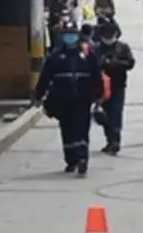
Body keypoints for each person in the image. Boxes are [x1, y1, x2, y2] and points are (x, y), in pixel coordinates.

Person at [33, 21, 104, 174]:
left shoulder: (86, 55)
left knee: (82, 128)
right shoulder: (55, 57)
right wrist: (39, 96)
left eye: (72, 34)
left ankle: (82, 158)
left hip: (82, 99)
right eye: (67, 35)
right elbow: (45, 78)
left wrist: (98, 95)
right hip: (62, 100)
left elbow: (96, 76)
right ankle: (71, 160)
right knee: (68, 129)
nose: (70, 37)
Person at [96, 20, 135, 155]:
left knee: (116, 112)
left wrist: (116, 63)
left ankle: (116, 141)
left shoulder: (123, 47)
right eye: (106, 34)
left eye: (111, 34)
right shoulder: (97, 48)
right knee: (105, 114)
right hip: (101, 87)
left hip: (118, 85)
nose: (108, 37)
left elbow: (130, 63)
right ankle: (109, 139)